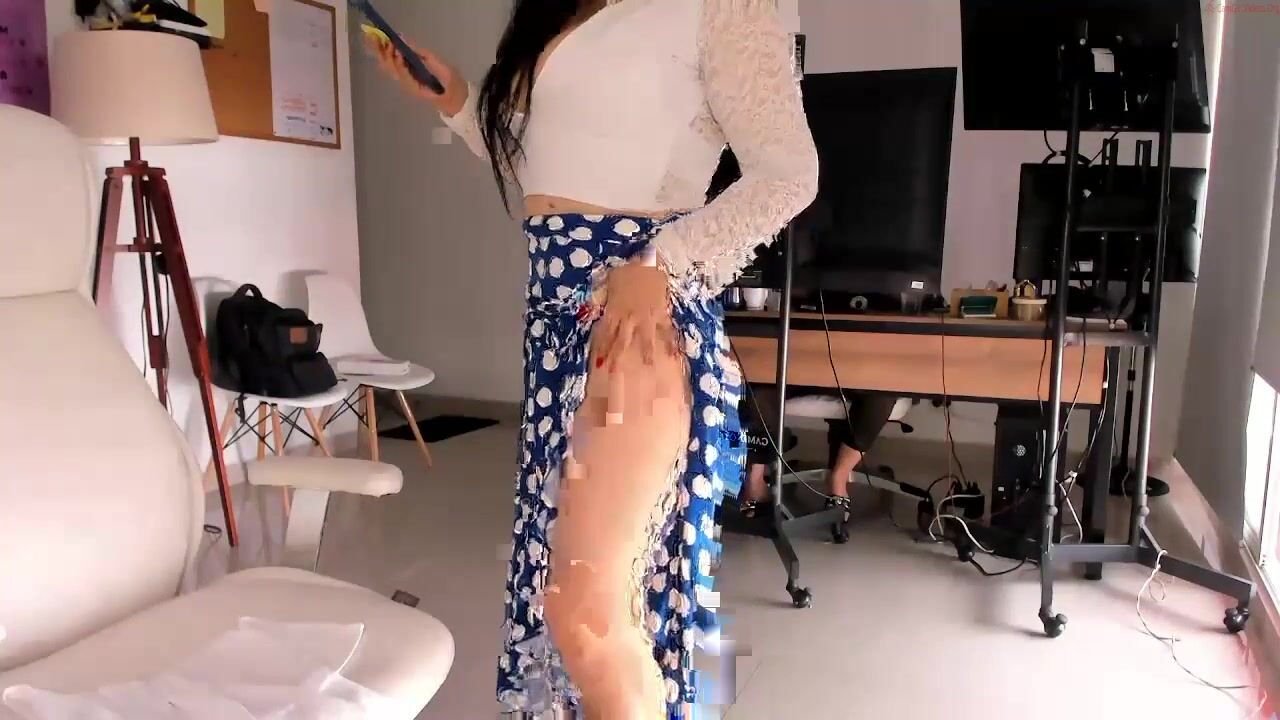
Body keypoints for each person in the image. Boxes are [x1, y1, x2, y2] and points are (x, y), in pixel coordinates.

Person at [367, 1, 818, 718]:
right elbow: (556, 168)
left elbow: (789, 173)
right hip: (556, 320)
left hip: (639, 315)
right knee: (589, 603)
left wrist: (663, 262)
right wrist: (458, 102)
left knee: (585, 608)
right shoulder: (564, 9)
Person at [738, 388, 900, 519]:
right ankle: (755, 480)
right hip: (799, 368)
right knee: (755, 387)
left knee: (881, 395)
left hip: (859, 372)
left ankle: (839, 477)